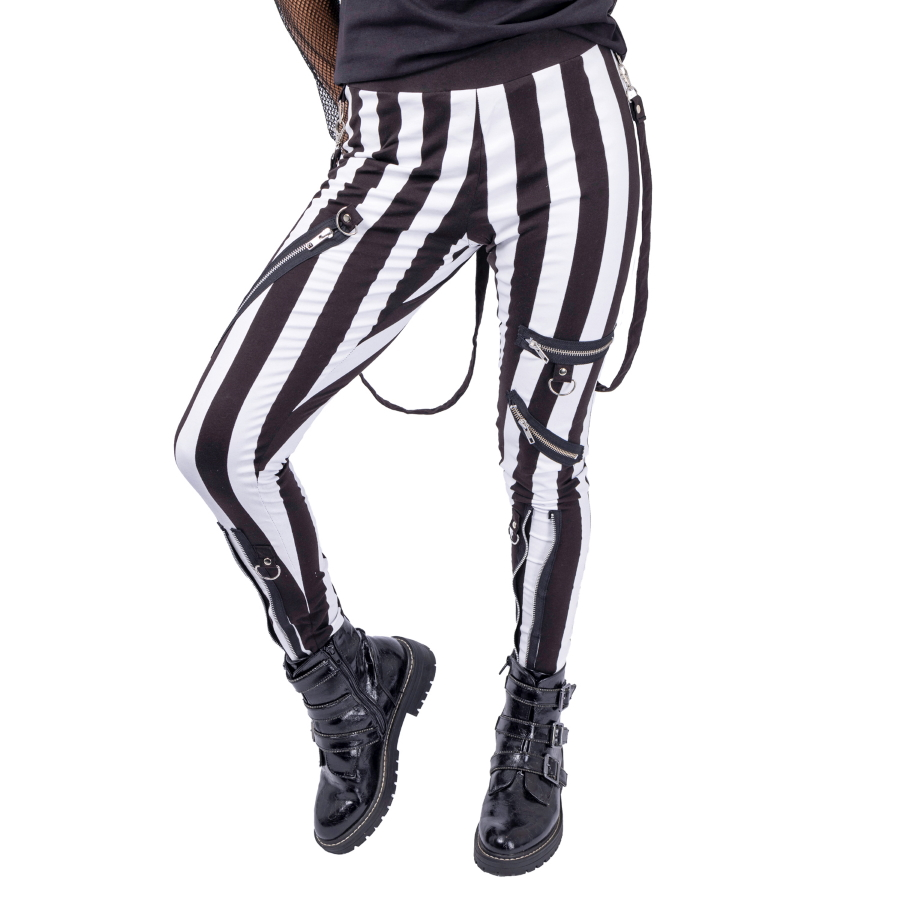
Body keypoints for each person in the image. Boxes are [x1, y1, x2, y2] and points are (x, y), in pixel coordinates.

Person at [174, 0, 651, 876]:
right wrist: (347, 88)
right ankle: (345, 677)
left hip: (567, 115)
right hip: (400, 133)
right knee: (220, 443)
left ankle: (533, 722)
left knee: (545, 457)